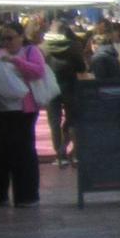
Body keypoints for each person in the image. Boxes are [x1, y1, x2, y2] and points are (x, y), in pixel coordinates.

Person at [0, 20, 47, 206]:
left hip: (23, 110)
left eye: (10, 38)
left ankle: (26, 196)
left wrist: (16, 61)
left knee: (23, 152)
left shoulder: (30, 51)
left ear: (21, 37)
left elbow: (38, 71)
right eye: (3, 39)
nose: (6, 42)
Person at [41, 16, 87, 166]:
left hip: (50, 88)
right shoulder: (73, 46)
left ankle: (59, 155)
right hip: (70, 87)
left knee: (53, 121)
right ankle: (75, 153)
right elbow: (81, 68)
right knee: (72, 119)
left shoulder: (43, 47)